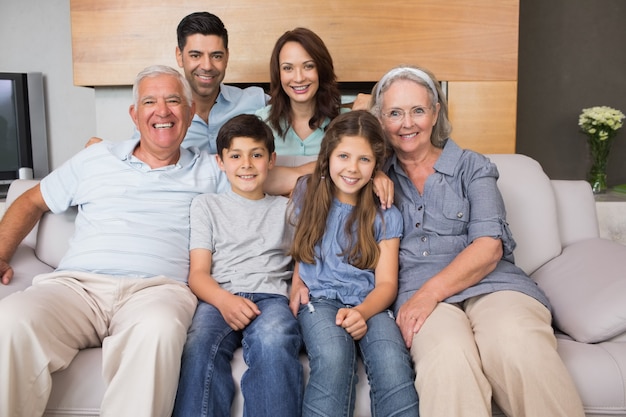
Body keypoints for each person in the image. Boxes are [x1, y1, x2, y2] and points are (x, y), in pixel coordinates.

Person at [0, 65, 302, 417]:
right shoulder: (96, 158)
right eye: (150, 102)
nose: (162, 111)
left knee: (158, 331)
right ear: (134, 114)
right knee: (11, 319)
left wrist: (366, 172)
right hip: (76, 287)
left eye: (174, 101)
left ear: (189, 114)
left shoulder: (214, 168)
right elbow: (32, 200)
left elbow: (293, 176)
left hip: (157, 291)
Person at [370, 65, 585, 417]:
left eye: (418, 110)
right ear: (380, 119)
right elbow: (332, 154)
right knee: (448, 359)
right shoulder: (373, 175)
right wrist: (375, 166)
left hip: (492, 285)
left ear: (436, 112)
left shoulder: (472, 166)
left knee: (517, 343)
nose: (407, 123)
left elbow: (488, 247)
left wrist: (428, 294)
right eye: (394, 113)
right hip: (421, 298)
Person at [289, 110, 420, 417]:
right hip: (320, 301)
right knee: (334, 356)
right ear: (328, 157)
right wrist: (297, 279)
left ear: (377, 165)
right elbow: (303, 248)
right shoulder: (307, 192)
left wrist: (362, 312)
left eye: (364, 160)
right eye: (343, 156)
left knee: (391, 359)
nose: (352, 168)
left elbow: (387, 284)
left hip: (370, 303)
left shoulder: (386, 213)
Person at [173, 114, 302, 417]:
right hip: (220, 296)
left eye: (256, 155)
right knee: (199, 344)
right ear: (220, 162)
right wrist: (225, 301)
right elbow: (198, 274)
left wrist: (298, 285)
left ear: (271, 160)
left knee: (274, 340)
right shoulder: (206, 206)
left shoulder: (288, 207)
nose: (246, 164)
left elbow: (302, 261)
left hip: (273, 298)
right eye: (236, 156)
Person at [86, 11, 268, 153]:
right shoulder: (162, 114)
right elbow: (140, 156)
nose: (207, 66)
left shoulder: (256, 100)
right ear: (179, 56)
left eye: (216, 56)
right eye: (195, 55)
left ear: (227, 57)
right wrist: (107, 150)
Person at [255, 27, 347, 156]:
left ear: (322, 69)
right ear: (278, 74)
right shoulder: (260, 122)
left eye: (308, 66)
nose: (299, 78)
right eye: (288, 68)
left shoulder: (348, 122)